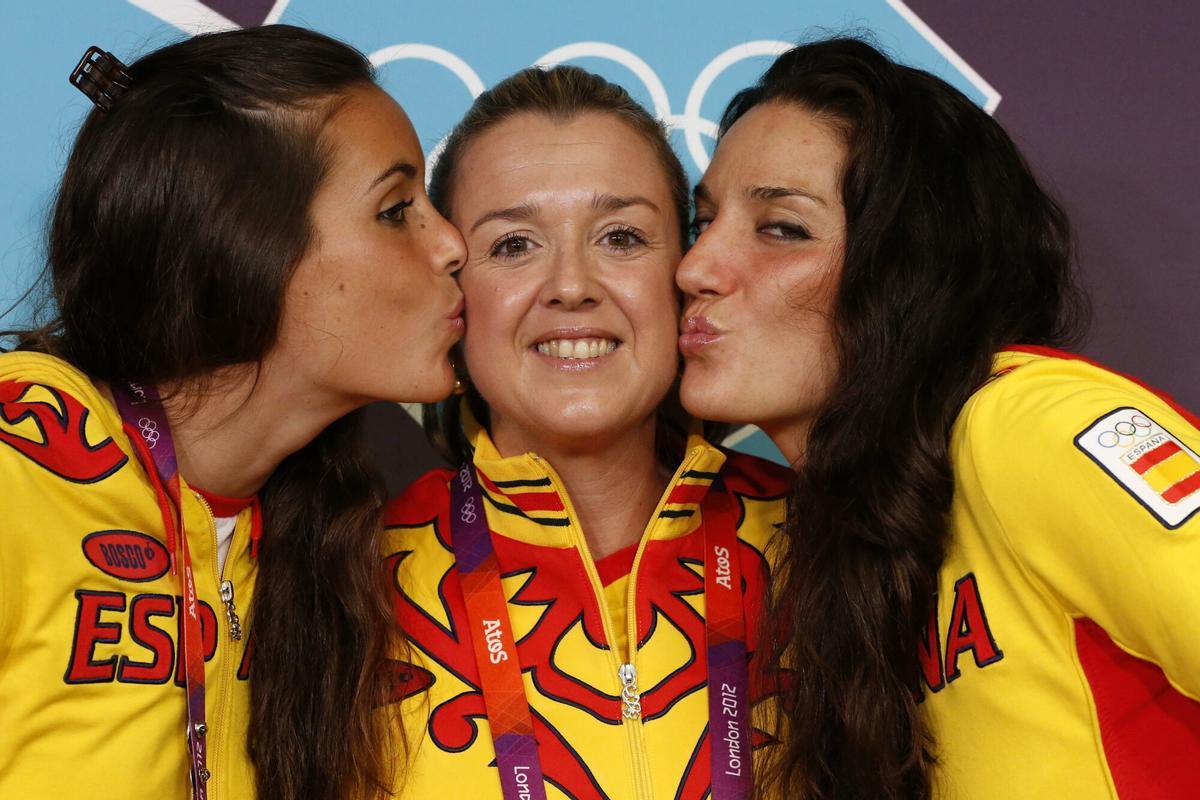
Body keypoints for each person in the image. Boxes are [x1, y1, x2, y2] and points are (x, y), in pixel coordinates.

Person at [676, 36, 1200, 799]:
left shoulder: (1024, 424)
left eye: (781, 229)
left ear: (909, 266)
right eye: (704, 222)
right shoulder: (829, 538)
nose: (695, 269)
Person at [0, 25, 466, 800]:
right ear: (241, 245)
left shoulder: (331, 525)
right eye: (395, 209)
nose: (451, 244)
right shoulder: (20, 462)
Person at [381, 65, 791, 800]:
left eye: (622, 236)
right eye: (513, 245)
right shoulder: (341, 577)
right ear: (452, 290)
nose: (572, 284)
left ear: (689, 274)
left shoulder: (837, 545)